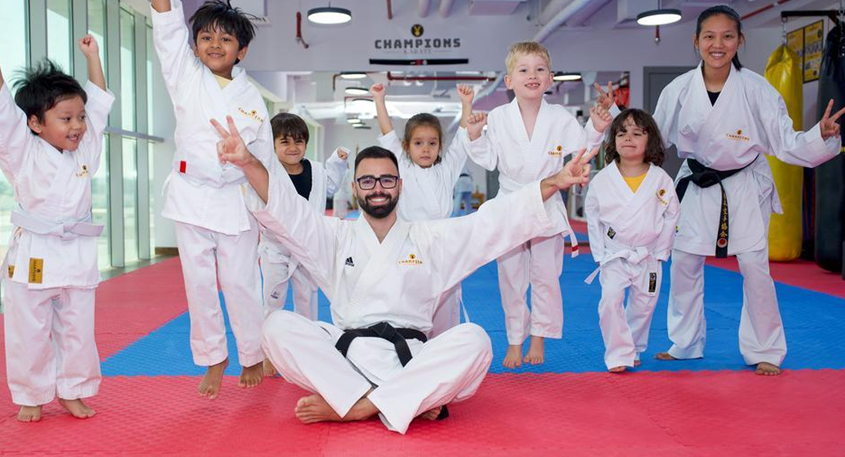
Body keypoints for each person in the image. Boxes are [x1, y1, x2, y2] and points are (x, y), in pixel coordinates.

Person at [211, 115, 596, 434]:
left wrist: (554, 182)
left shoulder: (430, 238)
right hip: (347, 358)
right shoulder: (335, 236)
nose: (377, 189)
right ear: (355, 188)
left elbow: (491, 223)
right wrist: (248, 163)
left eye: (386, 180)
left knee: (476, 340)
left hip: (411, 358)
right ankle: (406, 400)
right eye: (367, 181)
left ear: (400, 185)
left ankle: (360, 405)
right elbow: (287, 210)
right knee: (276, 326)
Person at [646, 5, 845, 376]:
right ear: (696, 41)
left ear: (740, 41)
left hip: (743, 184)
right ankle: (685, 343)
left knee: (755, 268)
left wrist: (820, 135)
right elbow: (653, 139)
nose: (718, 44)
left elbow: (785, 141)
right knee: (685, 264)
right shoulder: (678, 90)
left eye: (727, 36)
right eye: (709, 36)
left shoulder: (757, 89)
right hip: (696, 184)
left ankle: (765, 348)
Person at [147, 0, 270, 397]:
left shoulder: (252, 98)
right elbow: (165, 25)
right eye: (206, 36)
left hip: (235, 200)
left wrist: (266, 200)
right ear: (196, 45)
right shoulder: (185, 74)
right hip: (191, 194)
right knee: (199, 284)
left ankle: (252, 353)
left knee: (240, 283)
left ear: (242, 50)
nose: (214, 43)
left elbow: (262, 161)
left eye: (225, 37)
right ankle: (214, 358)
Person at [0, 36, 113, 422]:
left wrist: (93, 57)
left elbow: (98, 103)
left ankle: (73, 390)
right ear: (35, 123)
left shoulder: (85, 149)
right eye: (66, 119)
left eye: (79, 118)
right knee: (29, 331)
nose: (78, 126)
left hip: (76, 252)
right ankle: (31, 394)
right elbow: (3, 115)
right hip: (34, 253)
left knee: (78, 329)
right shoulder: (22, 152)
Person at [463, 41, 614, 368]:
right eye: (524, 70)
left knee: (546, 276)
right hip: (511, 203)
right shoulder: (499, 117)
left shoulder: (559, 117)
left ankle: (539, 336)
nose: (532, 75)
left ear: (550, 79)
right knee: (511, 277)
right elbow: (488, 160)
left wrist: (597, 128)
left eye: (539, 69)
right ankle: (514, 339)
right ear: (509, 81)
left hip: (547, 202)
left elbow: (582, 150)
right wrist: (474, 135)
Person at [369, 81, 470, 337]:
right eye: (418, 143)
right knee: (409, 301)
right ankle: (411, 344)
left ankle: (444, 345)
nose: (426, 148)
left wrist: (466, 104)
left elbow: (462, 139)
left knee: (445, 301)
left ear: (439, 147)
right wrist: (379, 100)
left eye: (432, 143)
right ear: (406, 146)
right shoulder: (402, 167)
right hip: (408, 243)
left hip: (442, 244)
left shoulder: (446, 170)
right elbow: (388, 133)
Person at [584, 108, 680, 372]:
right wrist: (599, 253)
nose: (628, 138)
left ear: (650, 141)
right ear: (613, 141)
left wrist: (662, 251)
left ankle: (634, 347)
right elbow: (593, 217)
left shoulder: (660, 179)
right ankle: (618, 354)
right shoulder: (603, 180)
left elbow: (671, 215)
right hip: (615, 253)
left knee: (644, 305)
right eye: (622, 133)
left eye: (637, 133)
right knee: (610, 300)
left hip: (649, 253)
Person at [260, 112, 349, 322]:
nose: (293, 147)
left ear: (306, 144)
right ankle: (270, 336)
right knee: (273, 299)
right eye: (285, 142)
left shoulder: (316, 170)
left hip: (308, 246)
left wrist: (337, 161)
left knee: (307, 299)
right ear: (272, 145)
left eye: (298, 141)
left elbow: (330, 185)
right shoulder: (268, 173)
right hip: (276, 248)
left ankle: (309, 336)